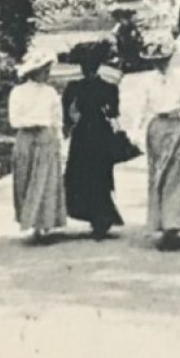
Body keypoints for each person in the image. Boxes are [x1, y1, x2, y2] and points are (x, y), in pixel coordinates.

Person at [62, 44, 125, 240]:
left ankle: (88, 212)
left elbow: (67, 115)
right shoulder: (108, 87)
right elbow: (113, 112)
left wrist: (70, 122)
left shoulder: (73, 88)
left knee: (81, 173)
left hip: (82, 135)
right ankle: (101, 215)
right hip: (100, 133)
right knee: (100, 174)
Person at [7, 49, 67, 241]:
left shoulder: (50, 92)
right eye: (44, 70)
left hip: (45, 137)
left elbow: (57, 118)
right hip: (26, 137)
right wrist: (33, 121)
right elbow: (14, 119)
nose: (47, 74)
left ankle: (44, 223)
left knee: (46, 179)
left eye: (48, 70)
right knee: (26, 178)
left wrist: (58, 138)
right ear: (34, 71)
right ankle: (32, 222)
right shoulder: (18, 92)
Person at [142, 45, 180, 248]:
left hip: (176, 127)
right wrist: (135, 132)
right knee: (158, 175)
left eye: (163, 58)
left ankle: (173, 225)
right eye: (156, 59)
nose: (160, 63)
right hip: (156, 129)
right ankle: (160, 223)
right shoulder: (149, 80)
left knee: (176, 175)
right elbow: (142, 107)